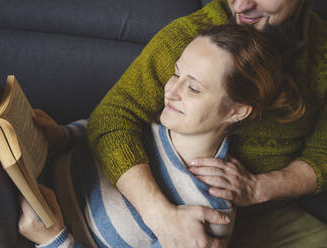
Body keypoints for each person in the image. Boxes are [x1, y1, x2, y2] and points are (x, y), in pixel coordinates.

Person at [18, 24, 316, 248]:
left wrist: (53, 239)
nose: (170, 91)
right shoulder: (146, 126)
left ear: (237, 111)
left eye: (194, 88)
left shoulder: (209, 215)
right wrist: (64, 135)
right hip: (31, 175)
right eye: (176, 74)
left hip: (29, 232)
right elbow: (96, 130)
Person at [83, 0, 327, 247]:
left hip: (271, 210)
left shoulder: (323, 51)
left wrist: (260, 188)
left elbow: (322, 154)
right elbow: (112, 117)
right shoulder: (193, 38)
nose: (240, 5)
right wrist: (161, 216)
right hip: (174, 202)